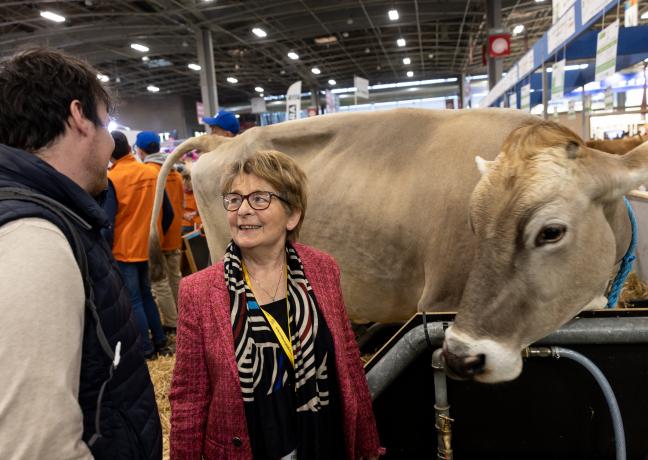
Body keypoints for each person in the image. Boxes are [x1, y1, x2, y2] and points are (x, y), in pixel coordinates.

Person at [0, 48, 161, 459]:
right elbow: (36, 446)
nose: (109, 141)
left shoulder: (41, 217)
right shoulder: (34, 238)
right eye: (106, 122)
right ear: (78, 116)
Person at [170, 150, 384, 459]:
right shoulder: (199, 291)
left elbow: (348, 359)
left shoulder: (322, 269)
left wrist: (367, 443)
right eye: (234, 199)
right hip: (251, 447)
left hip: (325, 441)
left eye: (259, 199)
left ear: (293, 214)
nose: (242, 210)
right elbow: (188, 397)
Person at [108, 130, 171, 359]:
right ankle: (162, 342)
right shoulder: (150, 172)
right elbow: (168, 212)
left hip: (125, 249)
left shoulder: (113, 178)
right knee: (147, 295)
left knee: (134, 299)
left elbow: (108, 218)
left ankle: (146, 348)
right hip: (150, 245)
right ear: (129, 147)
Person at [137, 130, 184, 334]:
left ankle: (172, 323)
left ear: (140, 150)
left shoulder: (149, 173)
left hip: (157, 236)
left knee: (160, 282)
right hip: (175, 235)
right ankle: (184, 317)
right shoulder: (175, 173)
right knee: (176, 278)